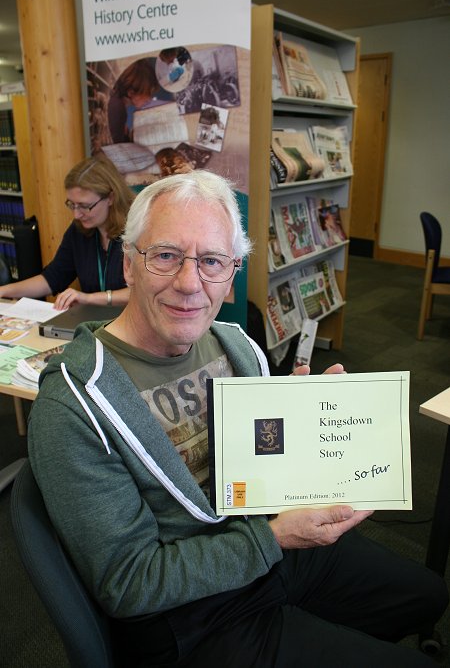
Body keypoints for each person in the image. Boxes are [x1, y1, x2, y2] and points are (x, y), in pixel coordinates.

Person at [28, 170, 447, 667]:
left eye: (211, 261)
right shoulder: (73, 404)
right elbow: (130, 583)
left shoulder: (236, 345)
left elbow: (256, 473)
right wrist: (273, 538)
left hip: (263, 549)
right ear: (130, 265)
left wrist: (300, 423)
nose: (190, 283)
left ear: (231, 275)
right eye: (165, 255)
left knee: (428, 594)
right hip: (191, 614)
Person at [0, 156, 135, 310]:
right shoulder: (78, 230)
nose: (76, 215)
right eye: (72, 205)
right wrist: (5, 290)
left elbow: (145, 291)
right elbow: (53, 278)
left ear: (111, 197)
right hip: (93, 324)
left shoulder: (139, 230)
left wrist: (89, 298)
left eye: (84, 206)